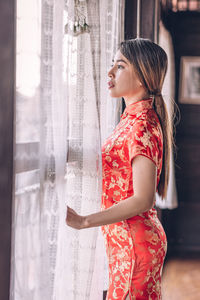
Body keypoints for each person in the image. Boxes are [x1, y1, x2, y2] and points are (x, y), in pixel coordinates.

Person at [66, 38, 172, 300]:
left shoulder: (142, 125)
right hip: (125, 242)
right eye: (112, 64)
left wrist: (83, 221)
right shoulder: (131, 119)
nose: (110, 72)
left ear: (142, 78)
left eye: (120, 66)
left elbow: (142, 198)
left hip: (135, 245)